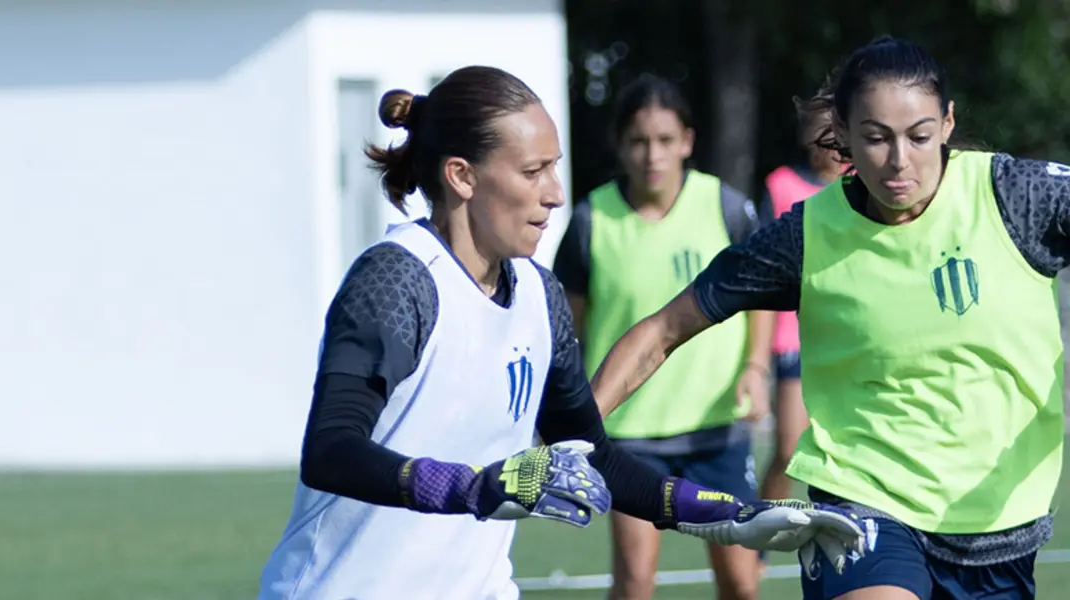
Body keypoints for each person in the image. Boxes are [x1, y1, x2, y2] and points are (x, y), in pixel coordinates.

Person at [255, 65, 865, 600]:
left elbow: (594, 456)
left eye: (554, 169)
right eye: (532, 172)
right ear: (463, 176)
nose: (554, 194)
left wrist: (732, 518)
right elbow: (330, 450)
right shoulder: (397, 279)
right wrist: (471, 487)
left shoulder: (538, 297)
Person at [588, 36, 1065, 600]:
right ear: (840, 131)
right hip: (863, 505)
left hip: (1000, 522)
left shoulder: (1015, 195)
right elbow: (665, 328)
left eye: (919, 136)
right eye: (875, 138)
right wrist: (573, 433)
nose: (898, 161)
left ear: (947, 122)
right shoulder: (805, 234)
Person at [553, 74, 773, 600]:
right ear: (620, 145)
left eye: (665, 140)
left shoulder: (725, 207)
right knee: (634, 584)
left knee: (742, 583)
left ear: (687, 143)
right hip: (629, 436)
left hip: (717, 429)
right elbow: (567, 330)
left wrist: (756, 367)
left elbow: (762, 293)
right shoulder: (590, 221)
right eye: (639, 141)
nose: (652, 154)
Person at [757, 98, 844, 506]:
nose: (827, 144)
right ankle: (759, 533)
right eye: (819, 134)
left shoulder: (864, 186)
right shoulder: (781, 186)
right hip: (795, 338)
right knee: (789, 449)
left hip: (849, 332)